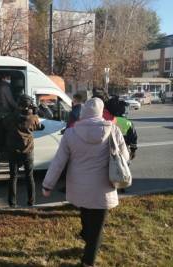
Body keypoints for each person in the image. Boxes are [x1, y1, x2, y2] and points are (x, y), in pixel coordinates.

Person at [42, 98, 129, 267]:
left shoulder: (71, 133)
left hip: (79, 188)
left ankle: (87, 244)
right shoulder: (114, 131)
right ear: (101, 111)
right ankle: (88, 261)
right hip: (103, 188)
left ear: (84, 112)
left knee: (86, 218)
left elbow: (58, 162)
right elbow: (124, 157)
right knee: (97, 228)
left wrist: (47, 185)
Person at [4, 94, 44, 207]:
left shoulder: (12, 117)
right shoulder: (33, 118)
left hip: (13, 151)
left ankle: (12, 203)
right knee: (29, 177)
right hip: (28, 151)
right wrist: (35, 113)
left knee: (13, 177)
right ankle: (31, 202)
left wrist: (15, 111)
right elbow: (39, 126)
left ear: (18, 104)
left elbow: (5, 123)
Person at [0, 74, 18, 154]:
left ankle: (0, 149)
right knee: (9, 133)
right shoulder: (5, 87)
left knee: (1, 133)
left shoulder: (0, 86)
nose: (10, 80)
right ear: (4, 78)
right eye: (9, 78)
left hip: (0, 112)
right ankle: (6, 151)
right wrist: (19, 107)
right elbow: (11, 101)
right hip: (5, 113)